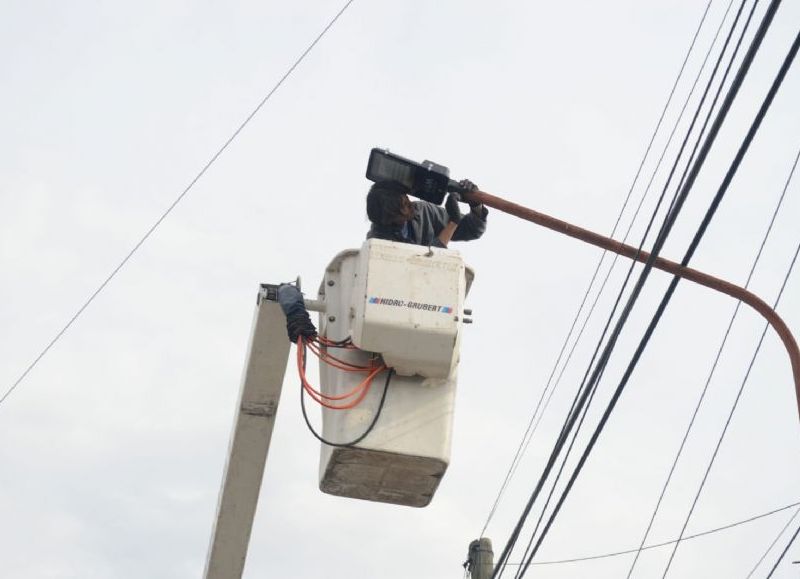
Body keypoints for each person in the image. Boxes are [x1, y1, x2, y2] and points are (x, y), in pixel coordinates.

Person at [365, 179, 488, 248]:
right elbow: (423, 263)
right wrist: (453, 223)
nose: (410, 206)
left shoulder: (423, 211)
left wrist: (475, 204)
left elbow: (472, 230)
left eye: (406, 201)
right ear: (387, 221)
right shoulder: (377, 243)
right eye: (402, 209)